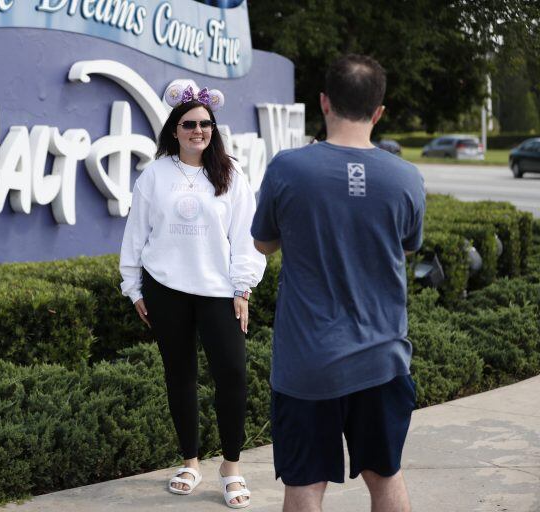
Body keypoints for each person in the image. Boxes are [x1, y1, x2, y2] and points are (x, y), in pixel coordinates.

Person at [251, 54, 425, 512]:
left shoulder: (287, 168)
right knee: (386, 478)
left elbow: (263, 245)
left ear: (324, 102)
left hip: (308, 363)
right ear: (379, 110)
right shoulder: (407, 178)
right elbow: (405, 248)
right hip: (383, 362)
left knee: (304, 487)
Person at [119, 82, 266, 509]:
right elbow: (135, 235)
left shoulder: (231, 174)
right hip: (166, 291)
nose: (198, 130)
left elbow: (246, 238)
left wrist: (243, 289)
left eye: (205, 124)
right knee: (180, 376)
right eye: (189, 124)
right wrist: (133, 287)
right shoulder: (155, 175)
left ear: (213, 128)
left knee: (233, 375)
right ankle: (190, 461)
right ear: (175, 129)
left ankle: (231, 467)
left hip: (220, 292)